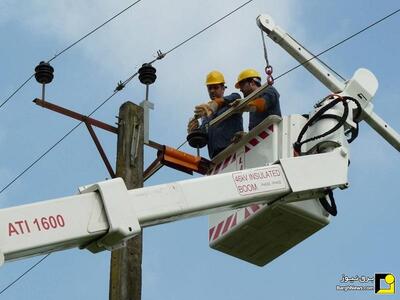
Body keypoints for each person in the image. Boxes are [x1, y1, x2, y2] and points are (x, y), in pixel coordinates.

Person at [187, 70, 243, 158]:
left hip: (234, 150)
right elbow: (203, 139)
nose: (212, 91)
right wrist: (194, 132)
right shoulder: (206, 116)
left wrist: (216, 103)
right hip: (216, 158)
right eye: (210, 88)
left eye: (216, 87)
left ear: (223, 88)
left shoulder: (231, 103)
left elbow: (236, 97)